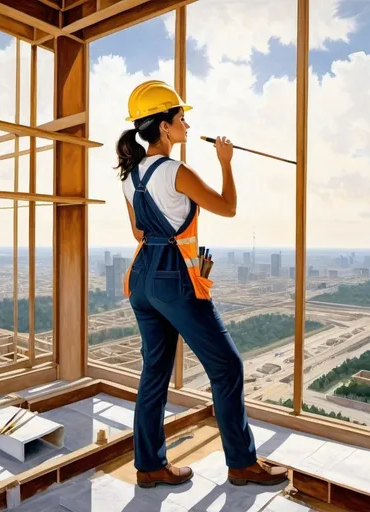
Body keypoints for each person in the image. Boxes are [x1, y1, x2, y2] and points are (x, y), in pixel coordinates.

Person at [116, 80, 288, 489]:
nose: (187, 125)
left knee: (154, 373)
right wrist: (226, 162)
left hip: (141, 278)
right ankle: (243, 464)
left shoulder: (129, 175)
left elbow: (140, 234)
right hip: (174, 279)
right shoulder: (176, 170)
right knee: (227, 367)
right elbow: (228, 208)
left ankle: (150, 467)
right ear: (163, 127)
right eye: (180, 118)